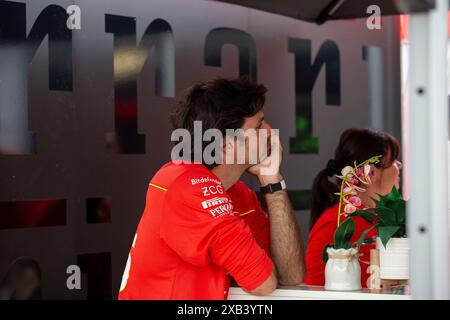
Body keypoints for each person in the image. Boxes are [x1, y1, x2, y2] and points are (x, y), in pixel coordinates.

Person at [118, 77, 305, 300]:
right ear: (226, 146)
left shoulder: (238, 193)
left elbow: (291, 275)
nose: (270, 131)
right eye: (258, 126)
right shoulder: (184, 184)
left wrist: (271, 180)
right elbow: (263, 283)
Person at [304, 128, 401, 288]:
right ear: (371, 173)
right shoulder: (336, 223)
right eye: (393, 161)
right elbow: (315, 290)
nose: (399, 166)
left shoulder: (375, 217)